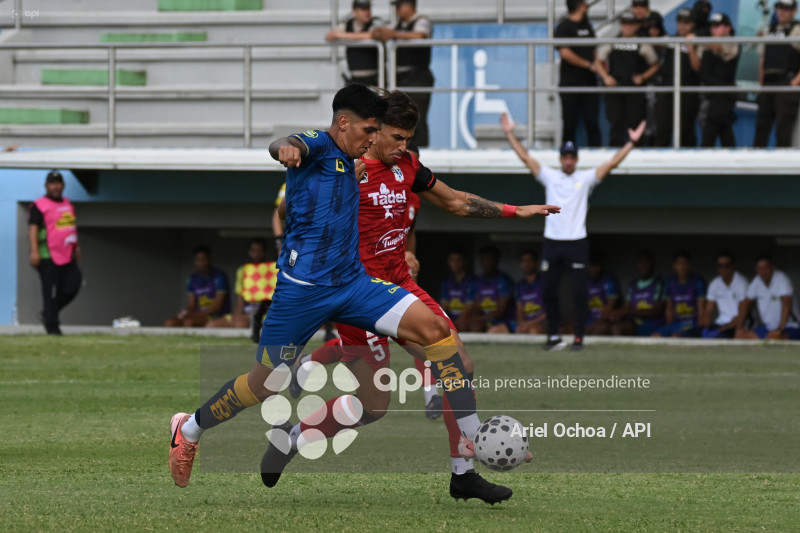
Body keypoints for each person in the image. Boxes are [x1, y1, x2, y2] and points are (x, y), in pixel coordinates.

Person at [167, 85, 546, 495]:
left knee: (443, 340)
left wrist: (514, 210)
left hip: (359, 285)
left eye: (403, 138)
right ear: (357, 126)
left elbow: (448, 203)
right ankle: (189, 428)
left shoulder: (397, 167)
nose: (393, 144)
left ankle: (470, 457)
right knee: (272, 386)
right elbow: (287, 147)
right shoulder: (321, 147)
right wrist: (287, 153)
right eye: (385, 134)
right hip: (304, 292)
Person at [275, 90, 556, 502]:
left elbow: (457, 202)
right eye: (397, 137)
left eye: (409, 137)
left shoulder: (407, 166)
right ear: (373, 132)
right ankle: (294, 437)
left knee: (458, 361)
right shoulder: (345, 167)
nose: (404, 146)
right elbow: (287, 212)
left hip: (401, 285)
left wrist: (518, 210)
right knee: (374, 406)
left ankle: (463, 473)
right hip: (356, 293)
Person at [501, 112, 645, 350]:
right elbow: (526, 158)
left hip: (576, 242)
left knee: (580, 294)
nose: (568, 160)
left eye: (572, 157)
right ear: (560, 158)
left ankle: (578, 337)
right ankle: (554, 337)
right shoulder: (550, 177)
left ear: (576, 159)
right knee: (548, 292)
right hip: (552, 242)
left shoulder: (585, 178)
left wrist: (631, 142)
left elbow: (611, 163)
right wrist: (509, 133)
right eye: (565, 157)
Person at [371, 0, 434, 147]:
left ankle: (420, 150)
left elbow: (420, 35)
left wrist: (392, 34)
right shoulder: (399, 24)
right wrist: (379, 32)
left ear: (409, 5)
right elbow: (381, 32)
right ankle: (405, 149)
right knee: (401, 116)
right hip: (401, 78)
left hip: (418, 76)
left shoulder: (421, 20)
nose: (397, 10)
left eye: (399, 6)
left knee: (417, 116)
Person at [27, 170, 82, 335]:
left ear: (63, 185)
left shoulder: (67, 204)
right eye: (52, 183)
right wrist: (34, 251)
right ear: (46, 186)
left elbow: (69, 228)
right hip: (47, 255)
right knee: (50, 293)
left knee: (73, 285)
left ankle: (48, 314)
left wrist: (76, 248)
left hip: (67, 255)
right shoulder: (39, 205)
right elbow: (33, 229)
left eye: (58, 183)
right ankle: (53, 328)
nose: (55, 187)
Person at [595, 13, 660, 146]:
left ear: (636, 26)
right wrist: (606, 77)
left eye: (630, 24)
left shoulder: (642, 44)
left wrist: (643, 77)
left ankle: (636, 153)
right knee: (615, 124)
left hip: (634, 91)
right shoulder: (612, 42)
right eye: (624, 24)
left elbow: (655, 65)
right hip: (615, 89)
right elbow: (598, 61)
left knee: (635, 125)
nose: (627, 27)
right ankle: (614, 154)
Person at [753, 0, 800, 148]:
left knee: (783, 131)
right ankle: (755, 166)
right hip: (768, 85)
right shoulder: (769, 30)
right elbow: (763, 60)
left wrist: (795, 82)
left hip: (786, 84)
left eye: (786, 9)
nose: (781, 11)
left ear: (794, 11)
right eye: (779, 8)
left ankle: (783, 169)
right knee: (761, 128)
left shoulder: (797, 29)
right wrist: (761, 86)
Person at [688, 12, 740, 147]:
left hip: (724, 94)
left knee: (711, 130)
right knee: (723, 129)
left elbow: (719, 47)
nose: (714, 29)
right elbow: (697, 67)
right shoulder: (705, 44)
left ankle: (705, 161)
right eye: (713, 26)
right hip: (708, 95)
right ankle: (732, 158)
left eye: (718, 26)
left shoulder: (732, 41)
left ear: (728, 28)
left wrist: (697, 39)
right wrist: (691, 49)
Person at [554, 0, 602, 147]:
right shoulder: (564, 27)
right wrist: (587, 65)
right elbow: (565, 53)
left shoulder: (587, 26)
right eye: (584, 4)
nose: (587, 6)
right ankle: (567, 155)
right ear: (579, 6)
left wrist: (603, 74)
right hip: (570, 84)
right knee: (569, 123)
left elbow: (594, 53)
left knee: (592, 122)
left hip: (589, 83)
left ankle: (596, 154)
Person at [207, 239, 278, 336]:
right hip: (245, 314)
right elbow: (240, 298)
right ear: (249, 252)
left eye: (259, 251)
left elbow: (274, 299)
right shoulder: (242, 270)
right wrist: (237, 316)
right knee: (211, 325)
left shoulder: (272, 270)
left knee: (240, 324)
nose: (257, 254)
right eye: (254, 251)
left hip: (263, 315)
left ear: (265, 252)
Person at [655, 8, 701, 147]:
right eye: (680, 22)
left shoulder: (698, 41)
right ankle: (659, 163)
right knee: (662, 127)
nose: (682, 26)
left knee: (685, 128)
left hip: (688, 89)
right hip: (667, 87)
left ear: (693, 24)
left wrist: (691, 48)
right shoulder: (670, 39)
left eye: (686, 23)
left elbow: (697, 68)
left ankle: (687, 164)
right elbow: (654, 44)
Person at [735, 254, 800, 340]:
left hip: (790, 326)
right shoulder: (757, 281)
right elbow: (745, 304)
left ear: (773, 267)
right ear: (756, 270)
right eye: (760, 268)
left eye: (766, 267)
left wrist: (780, 329)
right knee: (740, 335)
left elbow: (787, 304)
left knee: (774, 337)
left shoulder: (781, 278)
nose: (763, 271)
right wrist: (739, 328)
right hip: (768, 328)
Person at [164, 246, 231, 328]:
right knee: (170, 323)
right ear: (195, 261)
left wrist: (194, 315)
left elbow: (217, 307)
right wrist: (185, 312)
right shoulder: (192, 279)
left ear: (210, 260)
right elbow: (191, 305)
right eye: (198, 260)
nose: (202, 263)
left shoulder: (219, 276)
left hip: (215, 316)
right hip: (197, 315)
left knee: (189, 322)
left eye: (204, 259)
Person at [326, 0, 383, 86]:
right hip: (355, 79)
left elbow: (375, 35)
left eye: (368, 8)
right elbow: (330, 36)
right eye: (363, 9)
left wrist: (344, 36)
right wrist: (355, 36)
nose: (367, 12)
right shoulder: (347, 24)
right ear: (354, 12)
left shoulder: (375, 22)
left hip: (374, 80)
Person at [610, 250, 666, 336]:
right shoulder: (633, 285)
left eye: (647, 262)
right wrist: (614, 314)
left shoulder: (658, 284)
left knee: (619, 328)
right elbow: (626, 307)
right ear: (637, 264)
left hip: (652, 323)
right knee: (609, 326)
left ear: (653, 264)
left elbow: (656, 311)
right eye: (641, 262)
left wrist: (631, 311)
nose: (644, 265)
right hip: (635, 321)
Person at [652, 251, 706, 338]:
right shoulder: (670, 282)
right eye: (679, 263)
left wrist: (700, 330)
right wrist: (668, 328)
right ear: (674, 266)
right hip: (676, 323)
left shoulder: (698, 282)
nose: (681, 267)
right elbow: (669, 309)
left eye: (684, 263)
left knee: (676, 337)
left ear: (689, 265)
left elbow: (701, 311)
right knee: (655, 336)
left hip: (692, 323)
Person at [467, 245, 515, 333]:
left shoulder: (504, 280)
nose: (486, 263)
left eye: (489, 260)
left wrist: (479, 318)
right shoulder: (479, 281)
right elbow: (476, 306)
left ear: (496, 260)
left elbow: (501, 310)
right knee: (473, 325)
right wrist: (473, 318)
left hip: (503, 322)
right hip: (485, 320)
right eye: (484, 260)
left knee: (491, 330)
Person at [701, 251, 748, 339]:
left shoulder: (742, 283)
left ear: (734, 266)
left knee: (720, 337)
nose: (724, 269)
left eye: (727, 265)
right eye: (720, 266)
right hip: (720, 324)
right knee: (689, 334)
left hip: (737, 325)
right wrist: (705, 329)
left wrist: (725, 328)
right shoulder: (715, 284)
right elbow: (708, 311)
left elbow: (743, 313)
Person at [440, 250, 478, 332]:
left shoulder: (473, 281)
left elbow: (471, 307)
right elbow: (443, 306)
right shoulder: (446, 282)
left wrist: (457, 322)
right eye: (452, 260)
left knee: (472, 325)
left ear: (465, 261)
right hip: (451, 319)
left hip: (466, 319)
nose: (455, 264)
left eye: (458, 260)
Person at [585, 252, 622, 336]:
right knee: (567, 329)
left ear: (602, 266)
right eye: (591, 266)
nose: (593, 269)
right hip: (590, 321)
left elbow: (609, 310)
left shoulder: (610, 281)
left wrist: (591, 327)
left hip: (607, 321)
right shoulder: (585, 281)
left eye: (596, 266)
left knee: (601, 328)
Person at [515, 250, 547, 334]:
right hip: (526, 323)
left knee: (533, 330)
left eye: (530, 261)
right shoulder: (520, 285)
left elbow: (549, 312)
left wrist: (529, 324)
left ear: (536, 263)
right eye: (524, 261)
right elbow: (519, 310)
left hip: (544, 322)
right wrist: (522, 324)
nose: (527, 264)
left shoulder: (545, 282)